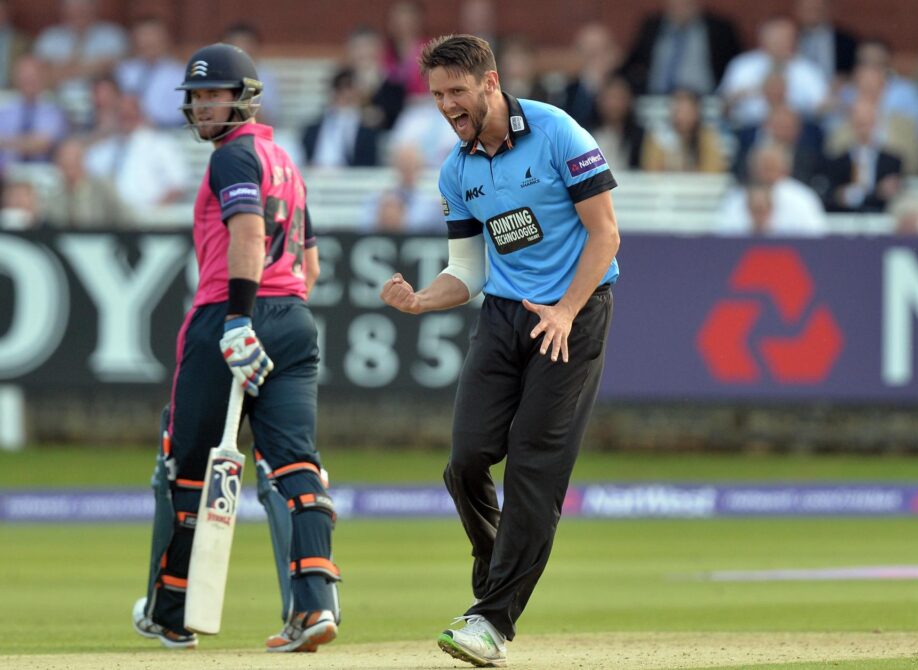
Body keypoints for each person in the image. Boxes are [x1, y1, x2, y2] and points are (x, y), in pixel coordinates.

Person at [379, 34, 619, 668]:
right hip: (505, 315)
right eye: (436, 95)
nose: (447, 106)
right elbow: (468, 268)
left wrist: (567, 310)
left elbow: (606, 235)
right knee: (465, 461)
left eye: (457, 92)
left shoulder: (557, 132)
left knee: (535, 470)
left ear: (489, 82)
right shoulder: (457, 169)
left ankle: (492, 620)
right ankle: (495, 580)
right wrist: (421, 301)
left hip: (574, 312)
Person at [131, 43, 338, 654]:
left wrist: (239, 321)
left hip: (229, 316)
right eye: (195, 96)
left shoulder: (232, 157)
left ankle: (171, 611)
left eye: (212, 94)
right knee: (294, 464)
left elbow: (248, 234)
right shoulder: (286, 163)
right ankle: (315, 605)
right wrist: (281, 312)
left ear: (243, 99)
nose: (200, 106)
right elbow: (310, 262)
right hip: (295, 319)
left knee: (187, 466)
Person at [621, 0, 740, 96]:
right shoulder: (651, 27)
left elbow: (738, 65)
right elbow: (632, 62)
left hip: (706, 101)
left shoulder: (720, 29)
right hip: (657, 101)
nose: (680, 5)